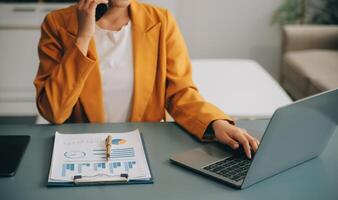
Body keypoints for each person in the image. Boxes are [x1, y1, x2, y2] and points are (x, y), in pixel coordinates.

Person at [34, 0, 259, 159]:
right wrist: (83, 35)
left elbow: (180, 93)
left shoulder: (161, 21)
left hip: (145, 148)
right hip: (85, 152)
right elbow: (53, 111)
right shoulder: (57, 24)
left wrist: (215, 122)